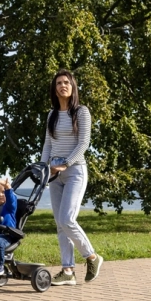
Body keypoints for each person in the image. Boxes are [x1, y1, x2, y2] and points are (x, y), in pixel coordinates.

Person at [41, 69, 104, 286]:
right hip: (54, 174)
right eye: (59, 83)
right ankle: (67, 270)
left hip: (75, 171)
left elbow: (84, 143)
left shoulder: (81, 112)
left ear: (72, 86)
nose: (62, 86)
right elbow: (47, 144)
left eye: (66, 82)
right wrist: (43, 168)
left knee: (67, 219)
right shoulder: (52, 115)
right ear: (54, 88)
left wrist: (65, 164)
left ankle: (92, 257)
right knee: (60, 223)